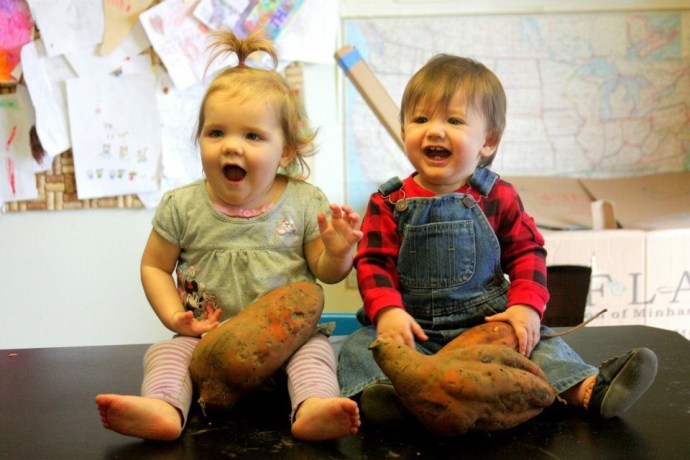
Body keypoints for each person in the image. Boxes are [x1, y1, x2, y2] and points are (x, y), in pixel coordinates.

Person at [337, 54, 658, 425]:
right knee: (360, 347)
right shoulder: (388, 202)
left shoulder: (497, 196)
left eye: (453, 120)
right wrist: (387, 312)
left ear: (487, 141)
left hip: (485, 322)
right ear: (404, 129)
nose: (434, 131)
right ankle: (392, 396)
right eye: (421, 119)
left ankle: (589, 389)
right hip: (412, 327)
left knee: (538, 344)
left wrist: (526, 307)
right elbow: (374, 263)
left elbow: (528, 252)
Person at [96, 31, 362, 442]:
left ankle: (312, 408)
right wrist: (174, 318)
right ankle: (164, 408)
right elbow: (154, 266)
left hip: (287, 346)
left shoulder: (305, 202)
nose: (230, 147)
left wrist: (340, 253)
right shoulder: (182, 206)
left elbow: (325, 272)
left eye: (252, 136)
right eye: (216, 133)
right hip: (208, 344)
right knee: (166, 353)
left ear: (286, 151)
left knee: (316, 354)